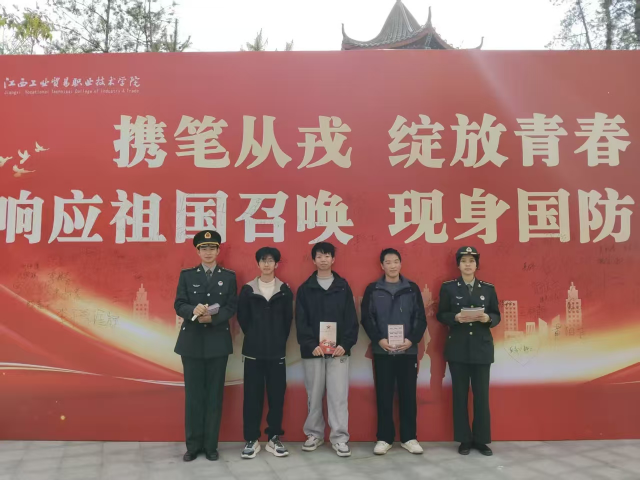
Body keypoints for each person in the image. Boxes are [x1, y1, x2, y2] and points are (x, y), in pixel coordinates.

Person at [174, 230, 238, 462]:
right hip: (191, 343)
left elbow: (231, 306)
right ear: (198, 251)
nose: (208, 252)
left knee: (214, 396)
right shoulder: (187, 275)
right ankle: (192, 446)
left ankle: (211, 446)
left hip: (217, 343)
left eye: (212, 248)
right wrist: (192, 310)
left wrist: (214, 317)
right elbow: (179, 303)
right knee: (193, 397)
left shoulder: (229, 277)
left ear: (218, 251)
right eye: (204, 248)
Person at [361, 248, 427, 456]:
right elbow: (367, 318)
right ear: (382, 265)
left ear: (401, 263)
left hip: (408, 351)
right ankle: (384, 438)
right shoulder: (373, 289)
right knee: (384, 394)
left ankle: (409, 438)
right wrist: (379, 340)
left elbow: (420, 318)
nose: (392, 265)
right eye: (388, 262)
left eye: (396, 261)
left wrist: (411, 340)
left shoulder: (411, 288)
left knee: (408, 395)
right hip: (383, 350)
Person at [436, 246, 501, 456]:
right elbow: (441, 314)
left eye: (471, 261)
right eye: (464, 261)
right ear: (458, 264)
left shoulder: (488, 288)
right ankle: (464, 439)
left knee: (481, 396)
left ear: (476, 265)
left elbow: (496, 315)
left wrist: (488, 318)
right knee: (460, 395)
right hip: (458, 348)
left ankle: (481, 440)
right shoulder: (448, 288)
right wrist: (455, 317)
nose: (467, 264)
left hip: (482, 348)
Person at [296, 242, 359, 457]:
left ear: (333, 259)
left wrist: (345, 344)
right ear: (313, 260)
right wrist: (310, 344)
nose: (323, 260)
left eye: (327, 256)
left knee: (338, 396)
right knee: (314, 396)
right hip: (313, 352)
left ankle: (340, 438)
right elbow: (301, 320)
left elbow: (351, 319)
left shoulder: (342, 286)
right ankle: (314, 434)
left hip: (338, 351)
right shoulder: (305, 288)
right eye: (319, 256)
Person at [237, 247, 293, 459]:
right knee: (252, 397)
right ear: (258, 264)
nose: (267, 264)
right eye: (263, 260)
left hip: (276, 353)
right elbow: (243, 318)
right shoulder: (248, 290)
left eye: (271, 260)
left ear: (276, 264)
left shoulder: (284, 290)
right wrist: (255, 336)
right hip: (253, 353)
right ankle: (252, 439)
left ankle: (273, 438)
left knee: (277, 397)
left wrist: (277, 340)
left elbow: (288, 320)